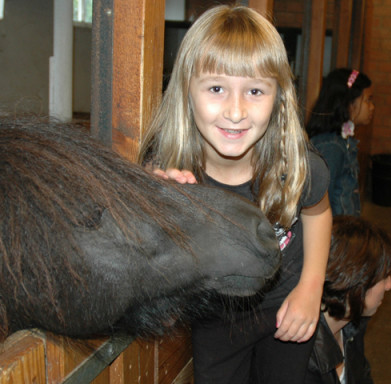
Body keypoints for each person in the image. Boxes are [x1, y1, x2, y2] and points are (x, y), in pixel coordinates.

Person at [137, 5, 332, 383]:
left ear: (278, 98)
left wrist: (312, 288)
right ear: (186, 91)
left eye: (255, 91)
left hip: (286, 308)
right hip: (217, 316)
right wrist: (151, 194)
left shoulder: (298, 166)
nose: (236, 111)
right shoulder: (168, 168)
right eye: (216, 88)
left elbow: (318, 213)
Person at [306, 216, 391, 384]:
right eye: (384, 277)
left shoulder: (351, 325)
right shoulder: (302, 362)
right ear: (353, 283)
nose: (389, 285)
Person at [306, 68, 374, 217]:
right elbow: (319, 206)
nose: (371, 107)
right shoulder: (331, 147)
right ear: (349, 103)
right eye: (368, 100)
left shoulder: (342, 140)